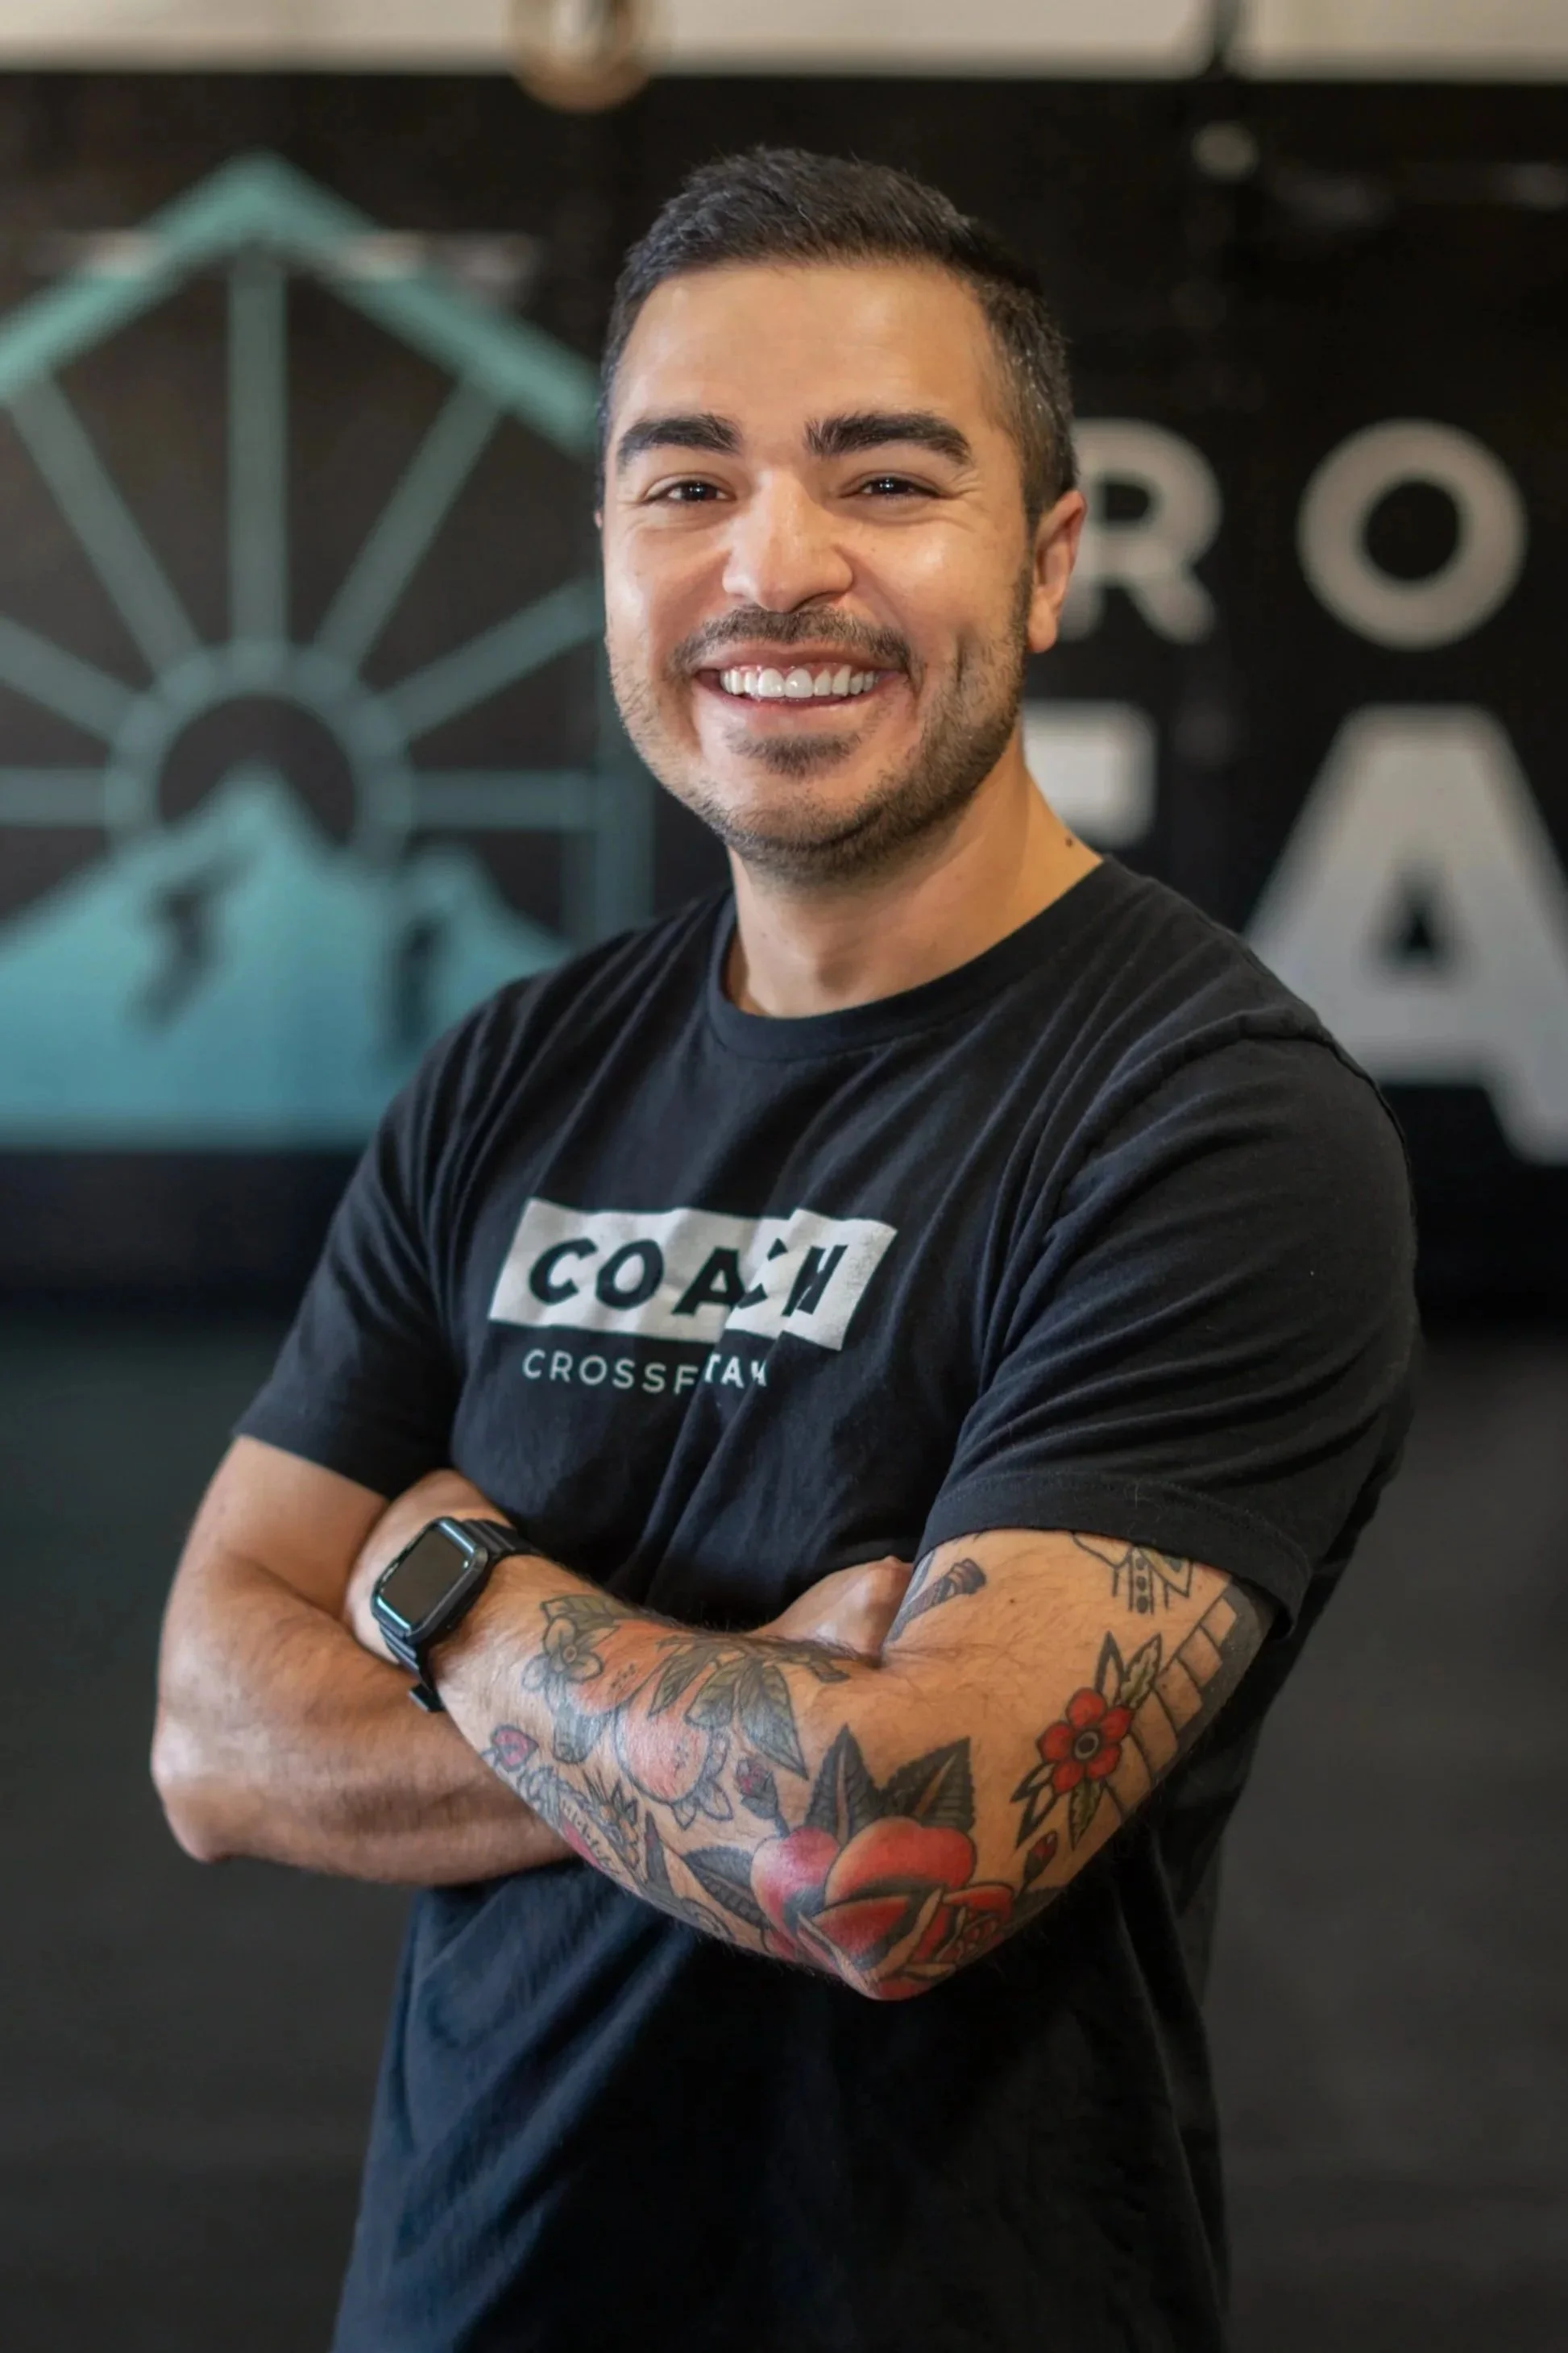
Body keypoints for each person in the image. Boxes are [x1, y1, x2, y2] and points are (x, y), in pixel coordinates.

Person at [152, 148, 1417, 2353]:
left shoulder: (1217, 1120)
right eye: (686, 485)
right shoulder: (512, 1075)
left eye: (884, 480)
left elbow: (881, 1853)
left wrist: (451, 1594)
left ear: (1045, 566)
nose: (775, 567)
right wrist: (740, 1719)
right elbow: (206, 1728)